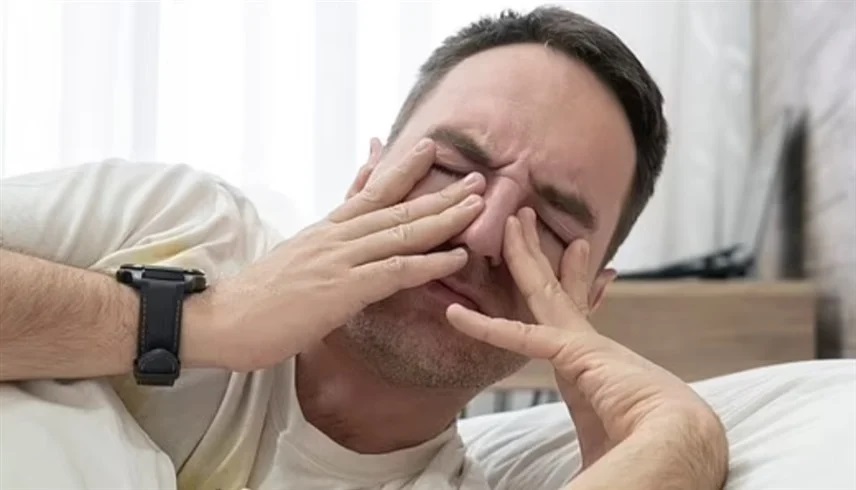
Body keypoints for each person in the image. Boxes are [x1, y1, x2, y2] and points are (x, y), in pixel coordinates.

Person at [0, 6, 728, 490]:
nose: (480, 232)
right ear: (368, 175)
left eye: (550, 227)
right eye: (450, 169)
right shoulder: (178, 221)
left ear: (587, 300)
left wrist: (682, 440)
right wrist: (203, 323)